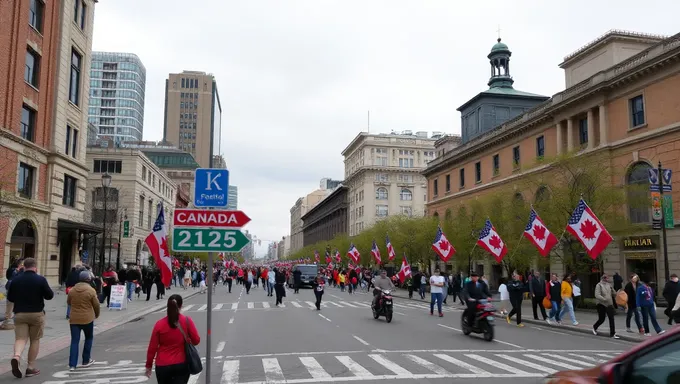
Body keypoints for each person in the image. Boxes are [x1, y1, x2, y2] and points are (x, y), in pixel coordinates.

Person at [7, 257, 54, 378]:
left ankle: (16, 356)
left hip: (20, 314)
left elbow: (10, 298)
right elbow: (49, 296)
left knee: (20, 338)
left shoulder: (16, 280)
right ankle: (30, 367)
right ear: (35, 267)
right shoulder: (40, 279)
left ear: (24, 266)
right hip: (36, 314)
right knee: (35, 340)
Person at [146, 294, 200, 383]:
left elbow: (152, 348)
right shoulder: (186, 320)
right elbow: (196, 340)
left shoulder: (159, 324)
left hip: (162, 365)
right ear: (181, 306)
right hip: (181, 363)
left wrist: (148, 365)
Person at [67, 271, 100, 370]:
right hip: (87, 318)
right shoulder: (91, 291)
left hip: (74, 319)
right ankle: (86, 360)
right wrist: (96, 314)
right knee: (88, 338)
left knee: (74, 341)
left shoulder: (72, 290)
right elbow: (96, 305)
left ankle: (72, 364)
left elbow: (69, 302)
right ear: (89, 279)